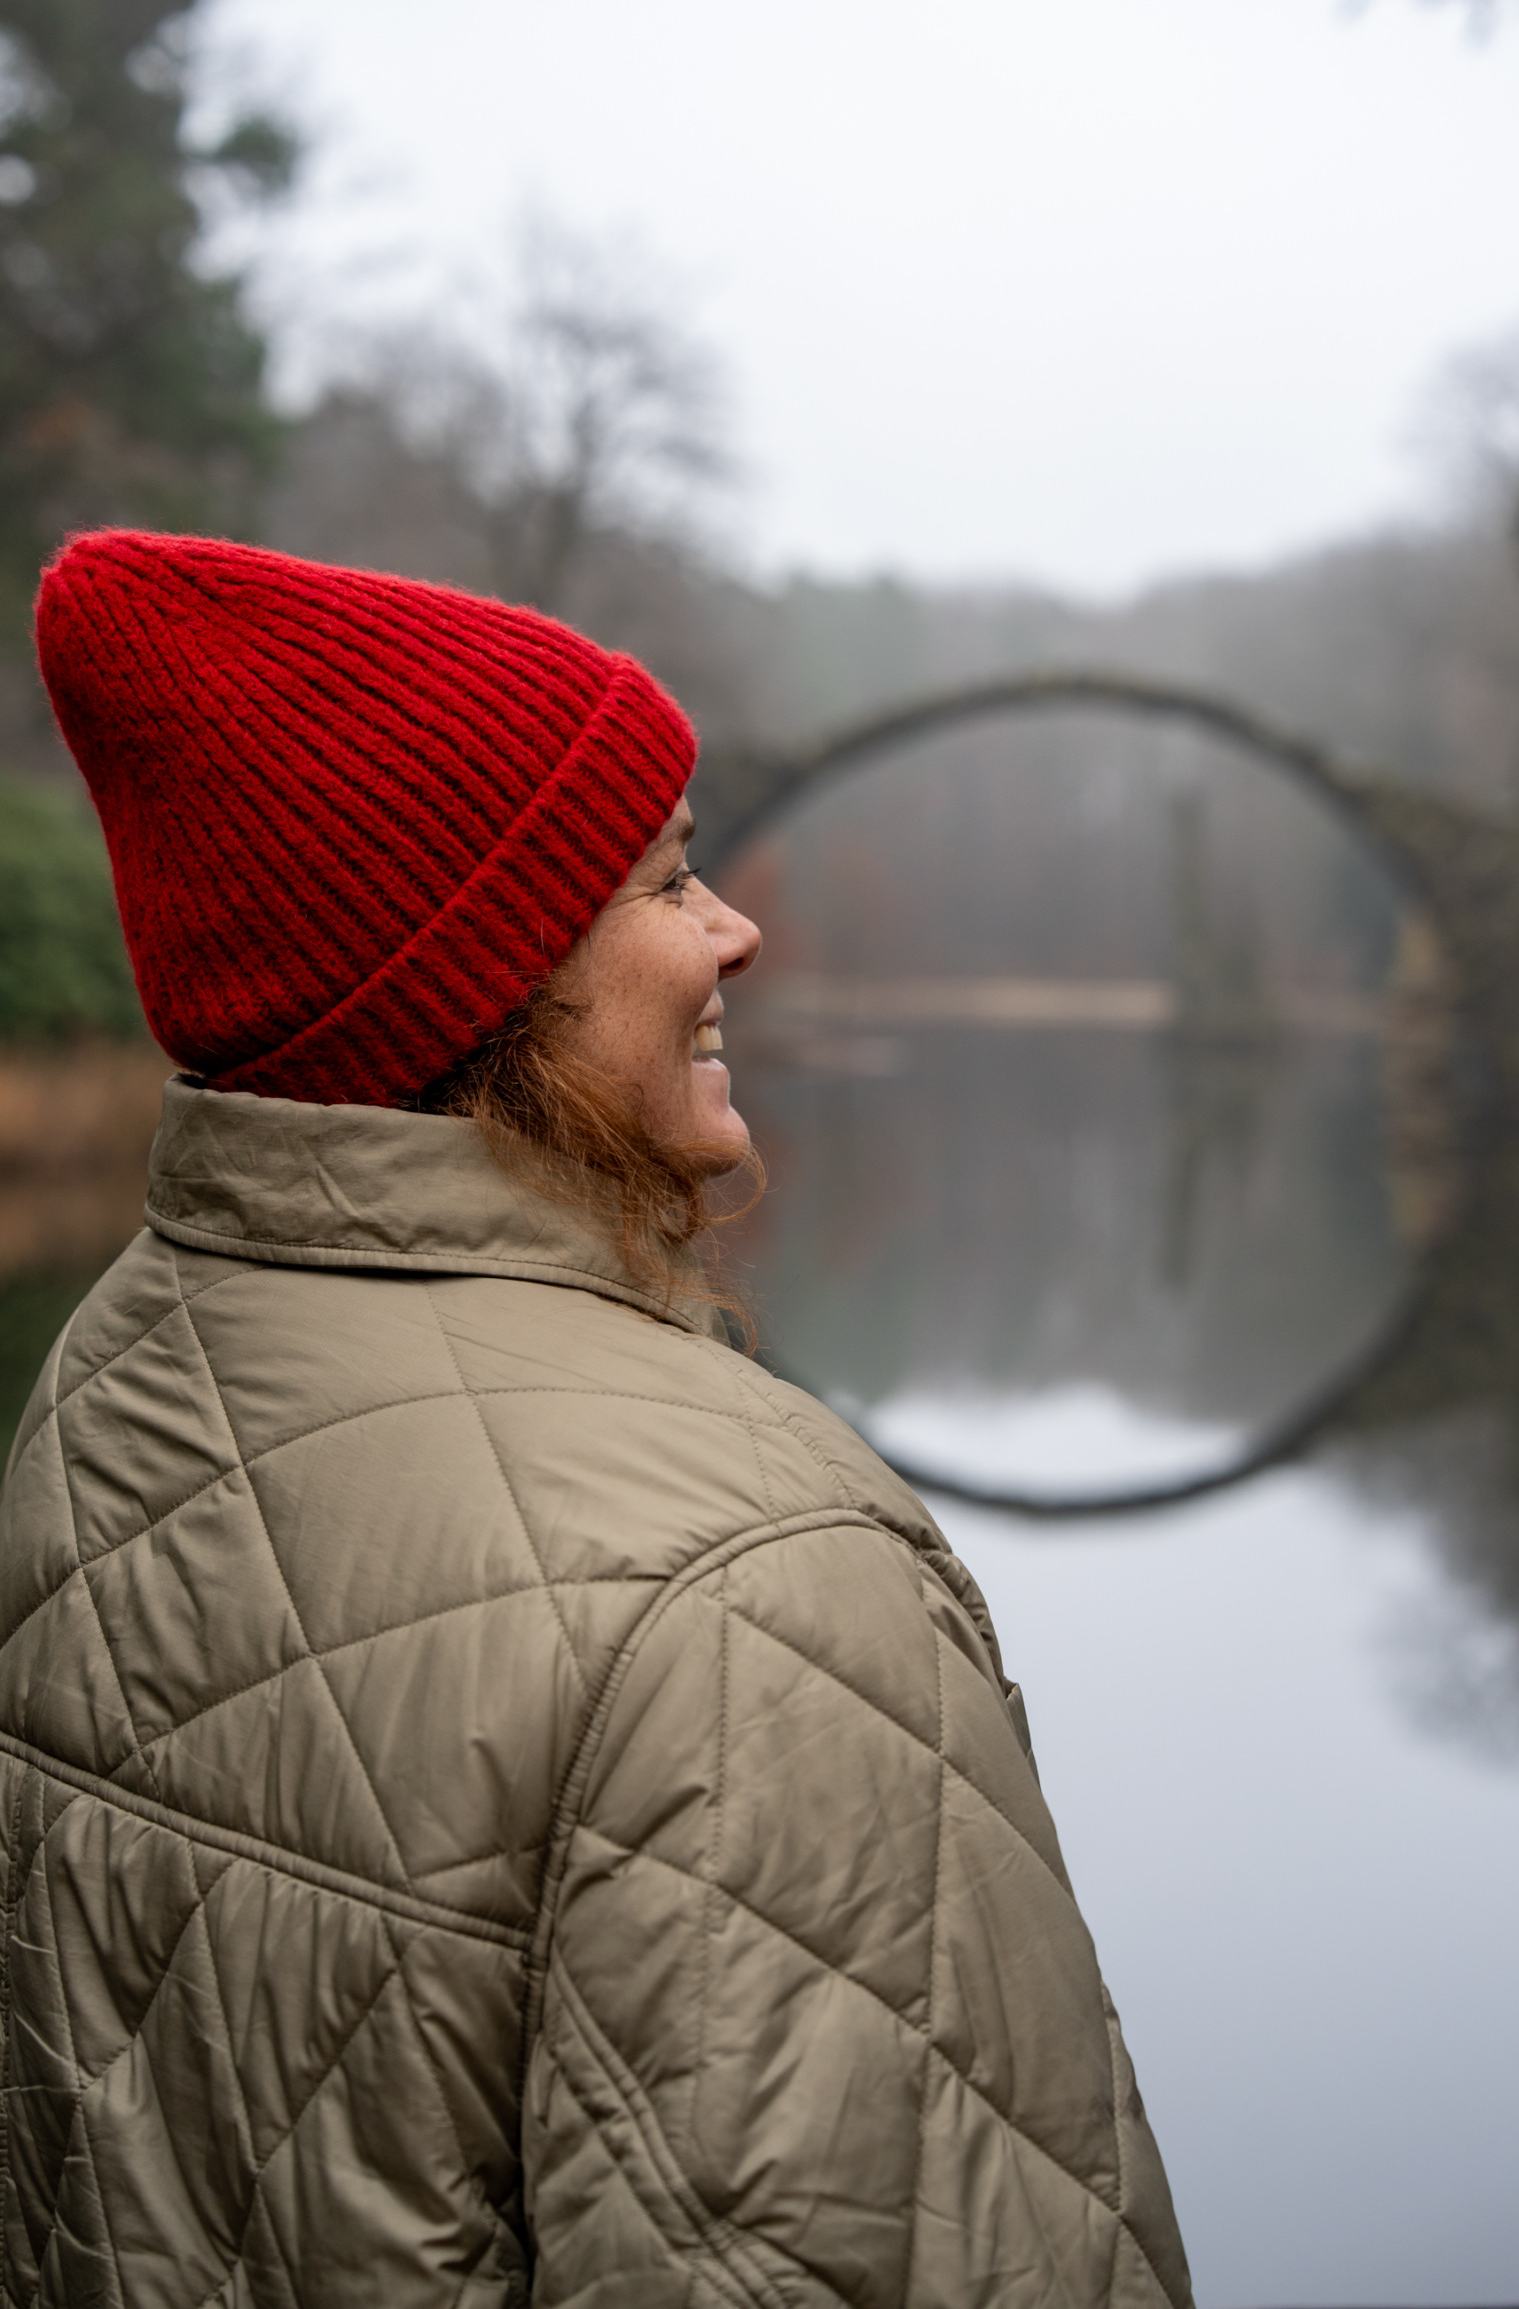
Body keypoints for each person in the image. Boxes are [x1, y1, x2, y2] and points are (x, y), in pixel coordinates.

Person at [0, 530, 1192, 2308]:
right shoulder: (751, 1579)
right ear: (479, 969)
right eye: (662, 883)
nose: (738, 927)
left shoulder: (120, 1377)